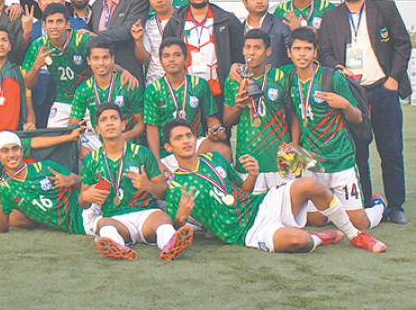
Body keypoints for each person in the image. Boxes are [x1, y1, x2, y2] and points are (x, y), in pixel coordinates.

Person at [162, 118, 387, 253]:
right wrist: (181, 217)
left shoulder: (214, 158)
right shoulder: (175, 187)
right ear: (169, 147)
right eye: (178, 138)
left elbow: (241, 190)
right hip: (245, 232)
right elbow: (175, 227)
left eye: (189, 135)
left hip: (261, 203)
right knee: (301, 241)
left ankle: (354, 234)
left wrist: (252, 174)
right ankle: (320, 237)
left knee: (308, 184)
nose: (186, 141)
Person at [317, 0, 411, 224]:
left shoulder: (385, 8)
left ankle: (395, 206)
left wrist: (393, 80)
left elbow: (403, 45)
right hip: (352, 93)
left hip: (383, 89)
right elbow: (324, 51)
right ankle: (366, 202)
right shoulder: (331, 17)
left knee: (390, 150)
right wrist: (336, 67)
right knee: (358, 152)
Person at [287, 27, 385, 231]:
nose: (302, 54)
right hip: (312, 162)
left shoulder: (333, 78)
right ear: (289, 52)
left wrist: (345, 105)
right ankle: (337, 208)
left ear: (315, 52)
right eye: (297, 49)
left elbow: (357, 117)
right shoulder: (290, 78)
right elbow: (297, 112)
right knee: (316, 221)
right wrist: (295, 144)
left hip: (341, 159)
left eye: (307, 49)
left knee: (360, 224)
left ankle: (378, 207)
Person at [78, 104, 193, 261]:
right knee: (104, 224)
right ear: (97, 128)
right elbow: (82, 203)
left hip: (146, 214)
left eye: (114, 118)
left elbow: (164, 192)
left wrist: (149, 185)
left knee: (163, 221)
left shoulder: (143, 153)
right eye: (104, 120)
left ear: (123, 124)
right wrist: (87, 196)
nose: (110, 123)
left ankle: (170, 245)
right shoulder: (92, 160)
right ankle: (117, 247)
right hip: (115, 218)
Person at [162, 0, 243, 115]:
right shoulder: (175, 22)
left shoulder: (227, 20)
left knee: (219, 135)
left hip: (218, 93)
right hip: (185, 93)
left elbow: (239, 54)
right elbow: (166, 55)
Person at [222, 30, 293, 193]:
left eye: (257, 47)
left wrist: (293, 144)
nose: (251, 52)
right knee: (252, 211)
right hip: (248, 158)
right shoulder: (234, 79)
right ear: (242, 50)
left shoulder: (281, 76)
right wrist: (238, 106)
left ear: (268, 51)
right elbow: (227, 121)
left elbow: (293, 114)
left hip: (280, 156)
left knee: (286, 209)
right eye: (247, 47)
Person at [143, 38, 230, 160]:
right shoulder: (152, 90)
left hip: (193, 142)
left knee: (223, 151)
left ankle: (227, 179)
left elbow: (211, 118)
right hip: (166, 147)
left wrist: (217, 131)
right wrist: (156, 161)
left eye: (177, 55)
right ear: (161, 62)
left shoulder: (199, 84)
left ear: (186, 59)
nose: (171, 59)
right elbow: (151, 128)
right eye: (166, 56)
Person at [0, 131, 85, 234]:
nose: (12, 155)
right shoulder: (4, 189)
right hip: (78, 226)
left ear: (22, 151)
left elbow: (86, 185)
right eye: (5, 151)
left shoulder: (46, 167)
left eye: (15, 149)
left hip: (88, 206)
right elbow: (2, 229)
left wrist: (72, 181)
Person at [69, 36, 143, 151]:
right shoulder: (83, 90)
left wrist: (123, 137)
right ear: (88, 60)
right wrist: (81, 148)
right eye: (96, 58)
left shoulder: (128, 85)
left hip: (127, 143)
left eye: (105, 58)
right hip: (99, 141)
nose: (101, 63)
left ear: (112, 59)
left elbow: (141, 123)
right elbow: (72, 126)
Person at [23, 4, 92, 128]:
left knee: (96, 140)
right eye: (50, 22)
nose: (54, 26)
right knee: (53, 138)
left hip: (90, 98)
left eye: (59, 21)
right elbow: (27, 84)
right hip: (63, 99)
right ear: (44, 25)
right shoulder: (38, 46)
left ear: (67, 24)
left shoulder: (82, 41)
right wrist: (36, 67)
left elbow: (105, 63)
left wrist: (124, 72)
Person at [88, 0, 150, 81]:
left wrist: (96, 35)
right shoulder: (96, 5)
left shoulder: (137, 1)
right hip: (100, 78)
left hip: (128, 76)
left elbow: (127, 30)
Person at [240, 0, 290, 67]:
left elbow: (292, 54)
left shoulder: (281, 25)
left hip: (275, 79)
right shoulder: (239, 29)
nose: (259, 1)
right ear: (245, 3)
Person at [141, 0, 174, 85]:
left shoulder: (183, 20)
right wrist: (137, 40)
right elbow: (144, 59)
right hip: (154, 84)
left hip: (181, 83)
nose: (159, 0)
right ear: (149, 0)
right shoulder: (146, 24)